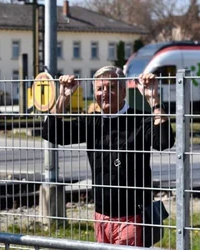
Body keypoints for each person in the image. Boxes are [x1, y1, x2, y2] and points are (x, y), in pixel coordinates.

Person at [41, 66, 175, 247]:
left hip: (132, 215)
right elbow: (52, 132)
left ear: (122, 91)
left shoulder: (139, 118)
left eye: (111, 87)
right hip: (101, 216)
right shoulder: (92, 121)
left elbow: (164, 141)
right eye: (100, 88)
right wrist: (64, 96)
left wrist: (154, 100)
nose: (105, 93)